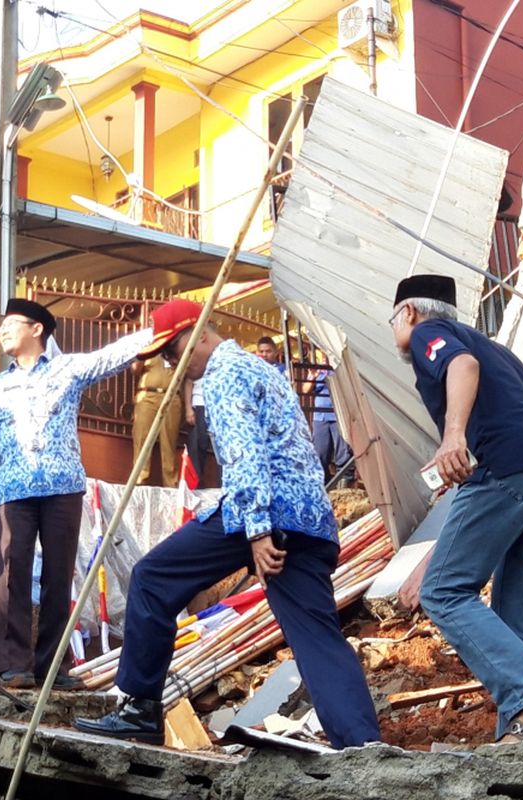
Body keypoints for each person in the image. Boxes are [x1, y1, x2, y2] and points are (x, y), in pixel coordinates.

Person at [74, 299, 379, 748]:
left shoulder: (224, 375)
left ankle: (139, 707)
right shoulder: (258, 370)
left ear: (197, 333)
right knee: (316, 635)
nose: (171, 363)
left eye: (173, 351)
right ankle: (361, 745)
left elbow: (244, 455)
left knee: (152, 579)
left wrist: (256, 530)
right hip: (308, 518)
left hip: (261, 512)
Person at [390, 274, 523, 743]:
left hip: (514, 468)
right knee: (516, 617)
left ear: (409, 312)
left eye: (393, 322)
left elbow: (460, 366)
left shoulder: (428, 335)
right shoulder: (495, 347)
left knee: (443, 592)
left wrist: (452, 434)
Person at [0, 299, 150, 691]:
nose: (3, 330)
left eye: (12, 324)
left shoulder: (68, 370)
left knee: (60, 578)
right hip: (12, 490)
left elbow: (112, 356)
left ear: (37, 329)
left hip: (63, 488)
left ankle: (52, 667)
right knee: (12, 575)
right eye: (2, 325)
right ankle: (12, 665)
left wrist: (161, 327)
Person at [131, 355, 181, 487]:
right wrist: (143, 356)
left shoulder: (176, 347)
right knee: (142, 438)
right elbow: (134, 370)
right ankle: (139, 481)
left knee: (169, 443)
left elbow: (190, 371)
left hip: (171, 396)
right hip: (147, 395)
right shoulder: (150, 347)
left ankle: (171, 485)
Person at [304, 358, 355, 487]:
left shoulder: (338, 366)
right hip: (320, 417)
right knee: (320, 453)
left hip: (339, 415)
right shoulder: (318, 369)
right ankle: (325, 487)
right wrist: (313, 377)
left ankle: (343, 489)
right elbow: (305, 390)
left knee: (342, 454)